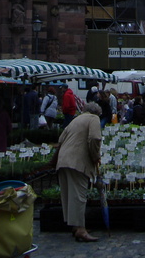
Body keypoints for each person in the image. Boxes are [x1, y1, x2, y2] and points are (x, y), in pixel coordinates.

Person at [55, 102, 102, 242]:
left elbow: (60, 139)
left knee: (69, 195)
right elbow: (95, 138)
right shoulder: (94, 119)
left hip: (63, 160)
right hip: (77, 161)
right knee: (79, 196)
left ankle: (75, 226)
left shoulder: (76, 119)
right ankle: (81, 229)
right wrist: (96, 156)